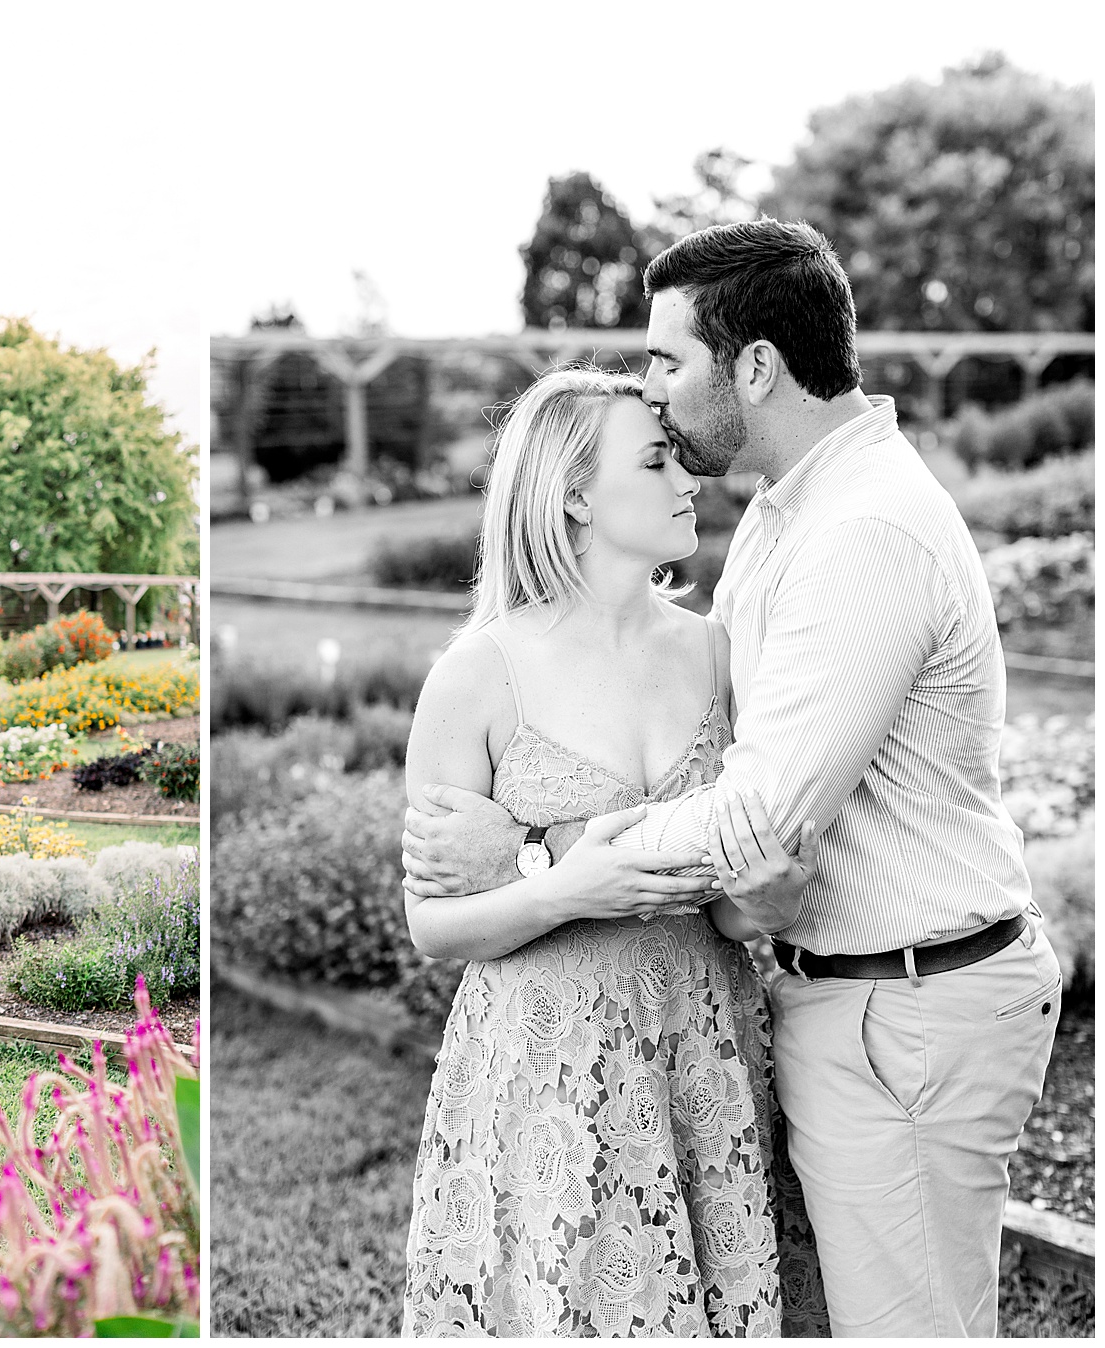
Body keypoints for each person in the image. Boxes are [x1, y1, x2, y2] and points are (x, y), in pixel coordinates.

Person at [404, 220, 1060, 1337]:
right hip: (795, 1011)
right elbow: (753, 846)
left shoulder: (863, 530)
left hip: (901, 1009)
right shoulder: (778, 515)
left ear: (754, 366)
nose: (654, 395)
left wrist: (544, 853)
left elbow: (758, 818)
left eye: (668, 362)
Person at [399, 365, 824, 1337]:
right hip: (545, 1062)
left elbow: (726, 898)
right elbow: (432, 924)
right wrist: (565, 885)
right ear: (575, 492)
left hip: (704, 1041)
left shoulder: (716, 652)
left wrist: (766, 898)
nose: (689, 481)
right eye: (657, 458)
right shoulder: (478, 675)